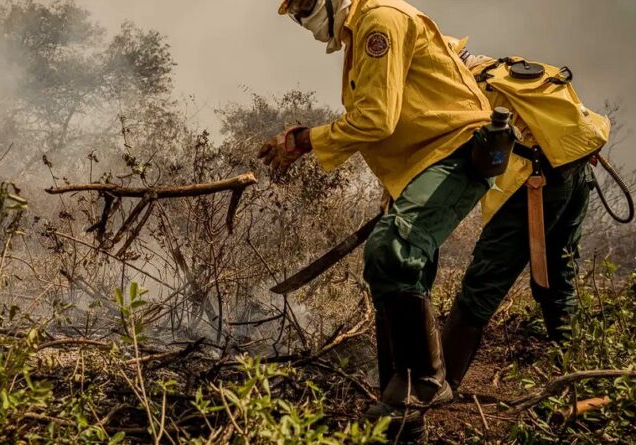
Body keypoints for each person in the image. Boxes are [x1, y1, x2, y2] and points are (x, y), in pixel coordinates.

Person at [258, 0, 497, 436]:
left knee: (392, 250)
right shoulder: (359, 33)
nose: (303, 19)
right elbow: (398, 117)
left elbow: (375, 119)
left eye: (307, 4)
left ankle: (424, 384)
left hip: (457, 150)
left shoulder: (379, 22)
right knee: (400, 269)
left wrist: (304, 140)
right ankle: (398, 407)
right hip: (427, 160)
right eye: (295, 12)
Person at [440, 37, 610, 392]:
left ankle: (438, 386)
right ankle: (578, 376)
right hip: (577, 175)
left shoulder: (466, 88)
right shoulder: (502, 67)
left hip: (535, 185)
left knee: (482, 283)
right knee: (558, 275)